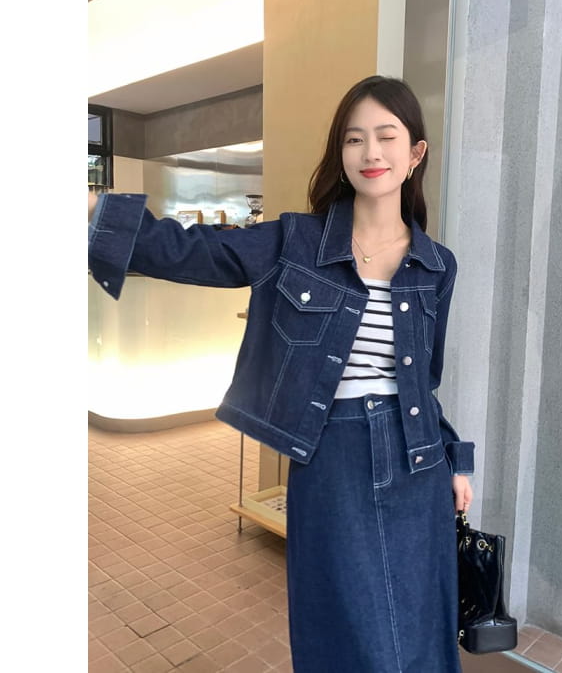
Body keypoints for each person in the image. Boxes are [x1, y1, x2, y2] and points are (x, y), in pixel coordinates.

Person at [88, 75, 474, 672]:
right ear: (340, 154)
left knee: (420, 629)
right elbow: (193, 250)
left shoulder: (437, 265)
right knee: (344, 628)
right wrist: (94, 211)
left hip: (418, 462)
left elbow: (424, 380)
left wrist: (457, 461)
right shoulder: (295, 242)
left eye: (386, 136)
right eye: (354, 139)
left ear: (415, 152)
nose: (370, 152)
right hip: (331, 455)